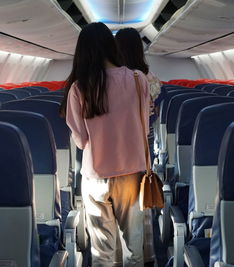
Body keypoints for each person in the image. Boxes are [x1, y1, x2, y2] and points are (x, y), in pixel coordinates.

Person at [60, 22, 150, 267]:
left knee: (102, 252)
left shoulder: (79, 88)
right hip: (131, 173)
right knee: (134, 246)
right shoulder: (137, 78)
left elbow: (81, 140)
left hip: (96, 175)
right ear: (112, 47)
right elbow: (145, 127)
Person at [115, 27, 159, 265]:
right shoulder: (147, 77)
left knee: (118, 206)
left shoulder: (112, 77)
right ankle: (145, 252)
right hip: (142, 141)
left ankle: (119, 256)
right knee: (140, 198)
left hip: (116, 141)